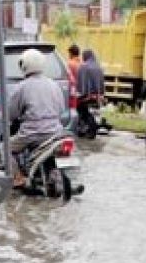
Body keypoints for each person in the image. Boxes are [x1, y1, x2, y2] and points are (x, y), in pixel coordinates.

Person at [7, 48, 67, 188]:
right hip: (55, 133)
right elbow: (62, 110)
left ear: (24, 65)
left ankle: (17, 178)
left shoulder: (22, 87)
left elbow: (11, 113)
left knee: (4, 148)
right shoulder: (54, 85)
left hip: (32, 133)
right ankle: (52, 173)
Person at [76, 49, 104, 139]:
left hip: (86, 95)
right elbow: (102, 82)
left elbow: (81, 82)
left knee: (80, 110)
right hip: (97, 95)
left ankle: (82, 128)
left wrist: (80, 93)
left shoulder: (84, 66)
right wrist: (101, 93)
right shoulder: (98, 66)